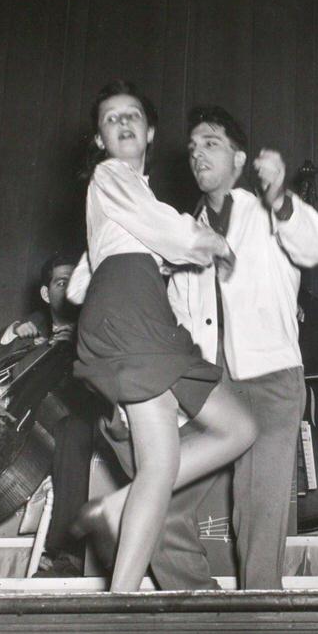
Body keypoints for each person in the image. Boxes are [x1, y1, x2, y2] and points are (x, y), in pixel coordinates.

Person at [65, 79, 257, 593]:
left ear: (150, 131)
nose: (123, 123)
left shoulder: (124, 191)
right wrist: (207, 242)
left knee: (238, 427)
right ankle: (119, 602)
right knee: (161, 463)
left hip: (138, 311)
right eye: (111, 119)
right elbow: (163, 229)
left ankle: (114, 506)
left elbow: (82, 282)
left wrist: (152, 263)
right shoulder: (111, 174)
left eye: (132, 116)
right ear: (99, 140)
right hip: (132, 316)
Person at [165, 105, 318, 588]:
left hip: (269, 383)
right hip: (207, 390)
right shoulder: (181, 230)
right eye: (193, 148)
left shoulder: (268, 212)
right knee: (158, 503)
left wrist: (281, 197)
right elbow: (178, 311)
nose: (198, 154)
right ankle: (198, 605)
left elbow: (315, 245)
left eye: (211, 143)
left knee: (260, 529)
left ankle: (260, 626)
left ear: (239, 158)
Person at [0, 254, 97, 577]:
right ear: (46, 294)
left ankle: (67, 553)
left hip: (72, 421)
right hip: (24, 420)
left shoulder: (95, 325)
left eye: (75, 280)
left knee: (74, 431)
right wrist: (17, 331)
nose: (70, 289)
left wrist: (80, 345)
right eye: (60, 282)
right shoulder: (37, 326)